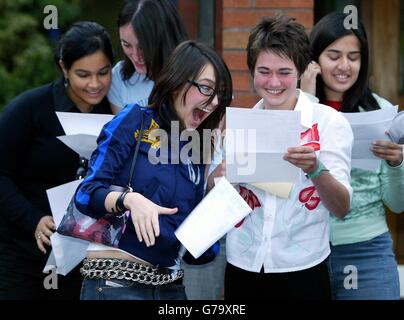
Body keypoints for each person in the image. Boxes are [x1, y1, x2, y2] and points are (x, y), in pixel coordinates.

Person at [74, 40, 233, 300]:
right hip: (116, 283)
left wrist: (221, 202)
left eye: (220, 95)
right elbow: (86, 193)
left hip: (170, 286)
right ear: (177, 81)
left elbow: (198, 253)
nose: (214, 101)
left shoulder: (196, 147)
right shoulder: (135, 119)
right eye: (206, 88)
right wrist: (129, 200)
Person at [222, 15, 353, 300]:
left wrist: (316, 169)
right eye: (264, 71)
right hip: (243, 265)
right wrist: (220, 178)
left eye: (284, 72)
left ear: (300, 71)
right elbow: (220, 204)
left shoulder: (329, 123)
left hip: (304, 269)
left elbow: (342, 208)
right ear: (252, 72)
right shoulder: (238, 124)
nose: (273, 82)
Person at [0, 21, 114, 300]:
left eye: (103, 72)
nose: (95, 84)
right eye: (83, 74)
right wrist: (34, 220)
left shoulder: (116, 115)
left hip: (83, 258)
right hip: (21, 254)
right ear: (64, 67)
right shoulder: (28, 110)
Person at [300, 12, 404, 300]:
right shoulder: (293, 107)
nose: (344, 66)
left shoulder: (380, 112)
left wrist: (397, 163)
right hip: (303, 251)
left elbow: (397, 204)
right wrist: (305, 103)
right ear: (314, 59)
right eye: (333, 55)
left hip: (367, 251)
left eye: (354, 57)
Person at [108, 0, 188, 114]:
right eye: (127, 45)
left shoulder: (194, 75)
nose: (135, 56)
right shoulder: (119, 77)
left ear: (164, 39)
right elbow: (121, 130)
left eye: (143, 47)